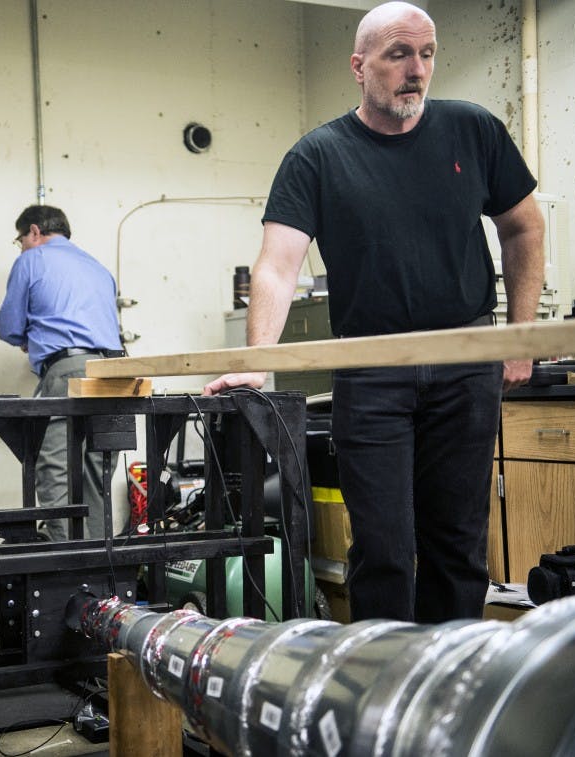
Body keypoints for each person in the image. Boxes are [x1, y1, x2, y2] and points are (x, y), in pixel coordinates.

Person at [204, 2, 545, 623]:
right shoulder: (318, 156)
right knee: (384, 547)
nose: (417, 69)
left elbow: (524, 227)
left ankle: (452, 683)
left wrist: (519, 337)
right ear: (359, 67)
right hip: (370, 367)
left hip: (464, 364)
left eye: (427, 54)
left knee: (457, 544)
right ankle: (381, 685)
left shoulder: (474, 130)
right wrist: (256, 363)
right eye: (398, 55)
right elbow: (278, 265)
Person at [0, 205, 125, 541]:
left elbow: (9, 325)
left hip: (67, 370)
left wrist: (26, 337)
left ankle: (66, 560)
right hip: (112, 370)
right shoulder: (98, 268)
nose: (21, 246)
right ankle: (100, 558)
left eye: (20, 239)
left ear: (34, 231)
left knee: (56, 464)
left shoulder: (31, 260)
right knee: (98, 469)